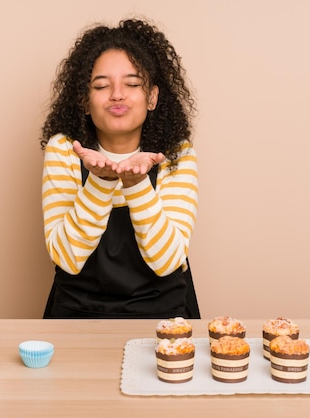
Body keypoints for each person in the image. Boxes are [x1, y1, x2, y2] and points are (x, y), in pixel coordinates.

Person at [40, 18, 200, 319]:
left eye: (132, 84)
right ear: (85, 100)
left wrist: (136, 185)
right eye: (101, 85)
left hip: (164, 314)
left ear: (152, 97)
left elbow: (167, 261)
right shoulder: (63, 149)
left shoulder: (176, 153)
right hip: (76, 314)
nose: (117, 94)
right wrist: (100, 181)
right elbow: (68, 258)